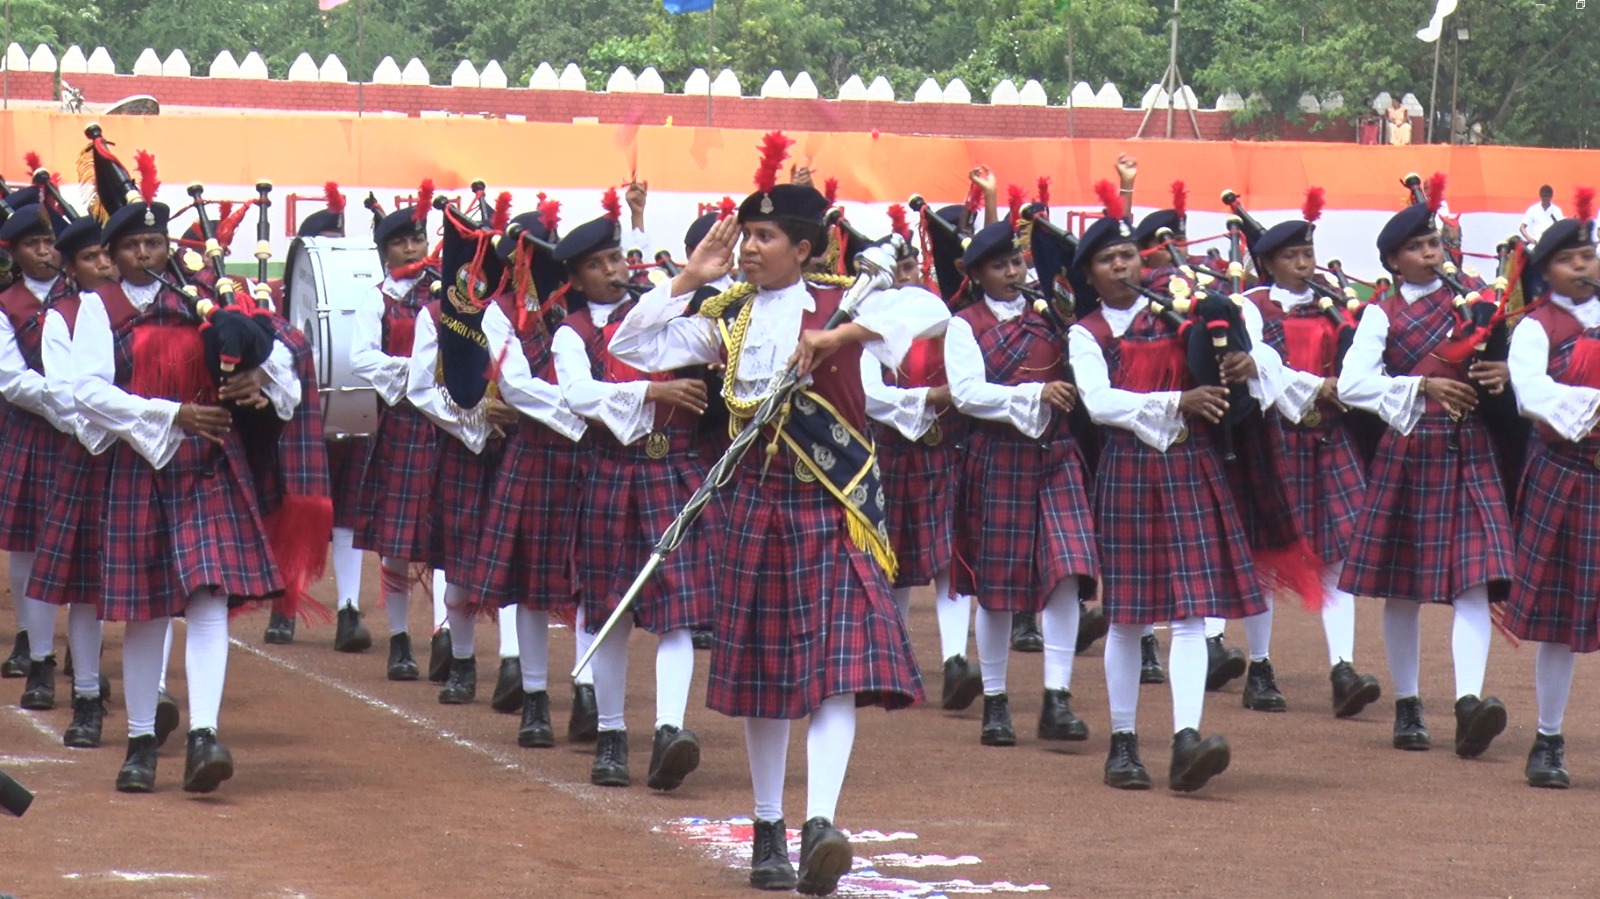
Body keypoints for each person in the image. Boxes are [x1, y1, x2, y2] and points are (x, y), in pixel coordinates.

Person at [608, 131, 946, 896]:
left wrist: (842, 334)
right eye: (746, 234)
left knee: (831, 675)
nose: (749, 247)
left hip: (830, 505)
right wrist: (690, 276)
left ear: (802, 246)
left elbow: (930, 312)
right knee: (765, 677)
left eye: (763, 236)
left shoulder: (839, 299)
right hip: (754, 508)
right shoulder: (725, 314)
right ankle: (768, 826)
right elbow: (630, 343)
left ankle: (820, 821)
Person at [74, 146, 301, 793]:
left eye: (156, 241)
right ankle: (141, 739)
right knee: (147, 609)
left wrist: (258, 378)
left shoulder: (204, 293)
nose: (149, 253)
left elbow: (275, 346)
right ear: (115, 253)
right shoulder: (101, 308)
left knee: (208, 594)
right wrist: (172, 415)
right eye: (136, 244)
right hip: (142, 464)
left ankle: (203, 733)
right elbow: (87, 392)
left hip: (207, 465)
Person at [1068, 183, 1268, 793]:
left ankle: (1186, 739)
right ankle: (1122, 744)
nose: (1123, 265)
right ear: (1090, 275)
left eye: (1128, 254)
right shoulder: (1086, 333)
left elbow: (1231, 362)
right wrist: (1178, 399)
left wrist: (1239, 359)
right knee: (1128, 620)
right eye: (1108, 260)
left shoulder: (1183, 312)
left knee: (1188, 613)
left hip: (1188, 467)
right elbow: (1099, 405)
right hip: (1129, 470)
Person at [1336, 183, 1511, 759]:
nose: (1430, 252)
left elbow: (1503, 366)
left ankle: (1468, 705)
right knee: (1403, 588)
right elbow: (1354, 385)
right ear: (1392, 261)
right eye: (1417, 246)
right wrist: (1421, 384)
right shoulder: (1378, 316)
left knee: (1476, 580)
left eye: (1434, 242)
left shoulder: (1478, 301)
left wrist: (1496, 377)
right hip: (1410, 450)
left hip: (1470, 450)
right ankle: (1408, 706)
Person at [552, 189, 713, 790]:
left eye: (617, 257)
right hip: (612, 475)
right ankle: (613, 735)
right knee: (612, 611)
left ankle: (670, 729)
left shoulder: (659, 306)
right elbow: (577, 394)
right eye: (599, 263)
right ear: (576, 276)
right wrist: (653, 393)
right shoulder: (570, 334)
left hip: (674, 469)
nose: (615, 269)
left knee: (677, 610)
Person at [945, 212, 1099, 749]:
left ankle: (1057, 698)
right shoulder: (964, 324)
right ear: (977, 274)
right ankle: (994, 700)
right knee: (998, 586)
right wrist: (1034, 395)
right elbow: (965, 394)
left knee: (1066, 573)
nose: (1013, 271)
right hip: (999, 458)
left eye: (1016, 261)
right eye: (1000, 265)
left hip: (1057, 455)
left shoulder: (1053, 314)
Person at [1240, 191, 1385, 720]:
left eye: (1308, 252)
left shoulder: (1335, 305)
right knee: (1265, 554)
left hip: (1329, 439)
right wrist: (1315, 388)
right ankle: (1259, 666)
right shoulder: (1249, 308)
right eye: (1292, 256)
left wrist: (1341, 387)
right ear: (1268, 263)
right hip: (1276, 437)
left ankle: (1342, 668)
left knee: (1338, 554)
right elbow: (1260, 365)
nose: (1305, 263)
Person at [474, 203, 590, 749]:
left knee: (592, 579)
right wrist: (579, 409)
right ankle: (537, 700)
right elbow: (515, 387)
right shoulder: (497, 313)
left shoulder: (581, 306)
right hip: (541, 453)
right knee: (533, 587)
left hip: (590, 455)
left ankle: (588, 690)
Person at [862, 203, 981, 712]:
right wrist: (928, 400)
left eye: (913, 267)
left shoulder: (945, 322)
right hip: (889, 449)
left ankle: (955, 660)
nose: (908, 277)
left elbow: (968, 383)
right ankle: (897, 656)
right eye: (898, 270)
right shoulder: (866, 328)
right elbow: (867, 396)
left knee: (948, 556)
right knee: (893, 558)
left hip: (942, 452)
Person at [406, 194, 521, 708]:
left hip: (521, 448)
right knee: (458, 561)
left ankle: (517, 666)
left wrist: (520, 418)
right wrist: (475, 421)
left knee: (522, 560)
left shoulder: (529, 314)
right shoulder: (435, 314)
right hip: (463, 446)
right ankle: (464, 661)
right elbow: (419, 388)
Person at [1502, 204, 1598, 788]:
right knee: (1563, 623)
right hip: (1565, 476)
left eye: (1587, 256)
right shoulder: (1535, 327)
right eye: (1568, 260)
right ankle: (1548, 739)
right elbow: (1531, 393)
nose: (1583, 267)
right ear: (1545, 271)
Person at [264, 182, 373, 653]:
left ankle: (348, 610)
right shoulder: (276, 301)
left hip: (352, 403)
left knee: (348, 509)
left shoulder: (369, 294)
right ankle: (285, 605)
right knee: (298, 506)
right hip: (302, 413)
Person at [24, 213, 119, 748]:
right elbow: (62, 394)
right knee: (85, 587)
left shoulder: (152, 313)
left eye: (110, 252)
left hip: (148, 456)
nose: (104, 263)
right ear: (71, 264)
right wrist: (115, 429)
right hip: (91, 451)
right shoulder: (62, 315)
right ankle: (86, 695)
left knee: (161, 587)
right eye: (91, 257)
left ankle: (156, 695)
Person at [349, 182, 441, 683]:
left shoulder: (448, 292)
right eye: (402, 242)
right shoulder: (376, 300)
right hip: (404, 419)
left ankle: (447, 636)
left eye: (419, 239)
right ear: (384, 252)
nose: (413, 248)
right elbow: (363, 358)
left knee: (449, 532)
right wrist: (415, 375)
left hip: (449, 423)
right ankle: (400, 640)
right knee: (399, 539)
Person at [0, 190, 74, 713]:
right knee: (28, 542)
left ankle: (80, 654)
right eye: (34, 243)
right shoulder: (6, 305)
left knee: (82, 541)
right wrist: (66, 404)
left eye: (50, 241)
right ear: (13, 252)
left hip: (83, 432)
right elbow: (11, 378)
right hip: (33, 430)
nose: (46, 251)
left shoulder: (85, 296)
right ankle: (33, 638)